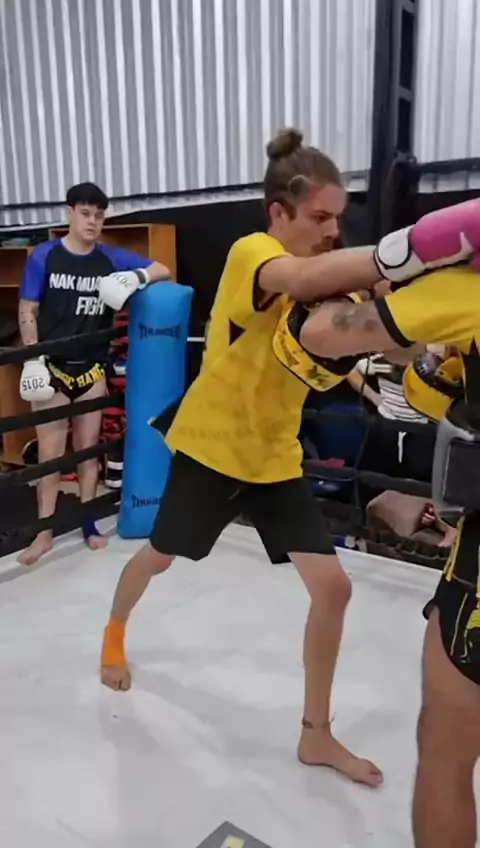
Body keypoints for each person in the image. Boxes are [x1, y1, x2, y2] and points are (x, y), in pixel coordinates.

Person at [99, 129, 470, 789]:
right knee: (158, 555)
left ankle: (314, 734)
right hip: (213, 449)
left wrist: (422, 344)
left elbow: (357, 340)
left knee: (333, 588)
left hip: (273, 458)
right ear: (279, 212)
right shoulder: (255, 254)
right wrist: (410, 251)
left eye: (338, 218)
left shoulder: (335, 292)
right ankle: (114, 630)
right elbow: (300, 280)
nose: (332, 230)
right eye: (320, 217)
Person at [291, 212, 480, 845]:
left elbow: (320, 333)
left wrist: (402, 255)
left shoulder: (466, 291)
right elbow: (429, 395)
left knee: (447, 753)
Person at [17, 182, 171, 566]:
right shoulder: (45, 256)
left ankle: (88, 524)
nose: (92, 222)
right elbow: (27, 309)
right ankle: (44, 533)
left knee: (88, 452)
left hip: (91, 369)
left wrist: (136, 278)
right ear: (69, 213)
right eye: (85, 213)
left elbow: (163, 269)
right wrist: (32, 357)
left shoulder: (110, 259)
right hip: (51, 367)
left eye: (99, 216)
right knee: (51, 455)